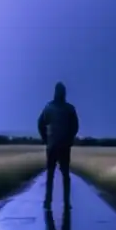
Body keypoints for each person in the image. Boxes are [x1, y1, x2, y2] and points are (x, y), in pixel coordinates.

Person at [37, 81, 79, 209]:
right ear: (64, 93)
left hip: (52, 146)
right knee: (65, 174)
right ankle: (66, 203)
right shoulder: (69, 108)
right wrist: (70, 138)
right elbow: (75, 126)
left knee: (50, 174)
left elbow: (40, 124)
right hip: (64, 146)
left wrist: (45, 138)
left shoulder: (48, 108)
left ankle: (48, 201)